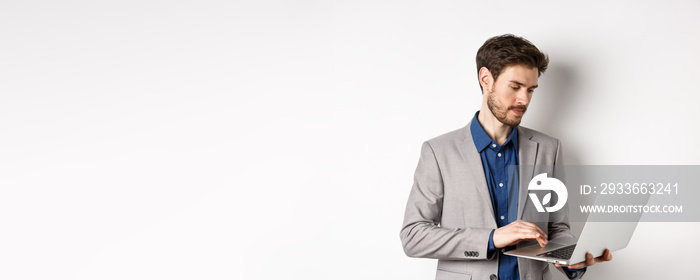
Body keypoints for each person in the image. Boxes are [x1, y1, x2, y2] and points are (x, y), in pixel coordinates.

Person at [400, 34, 612, 280]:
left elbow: (557, 227)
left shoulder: (548, 148)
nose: (524, 99)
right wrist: (491, 238)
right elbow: (413, 236)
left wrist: (569, 256)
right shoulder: (438, 152)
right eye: (515, 87)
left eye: (531, 90)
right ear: (486, 79)